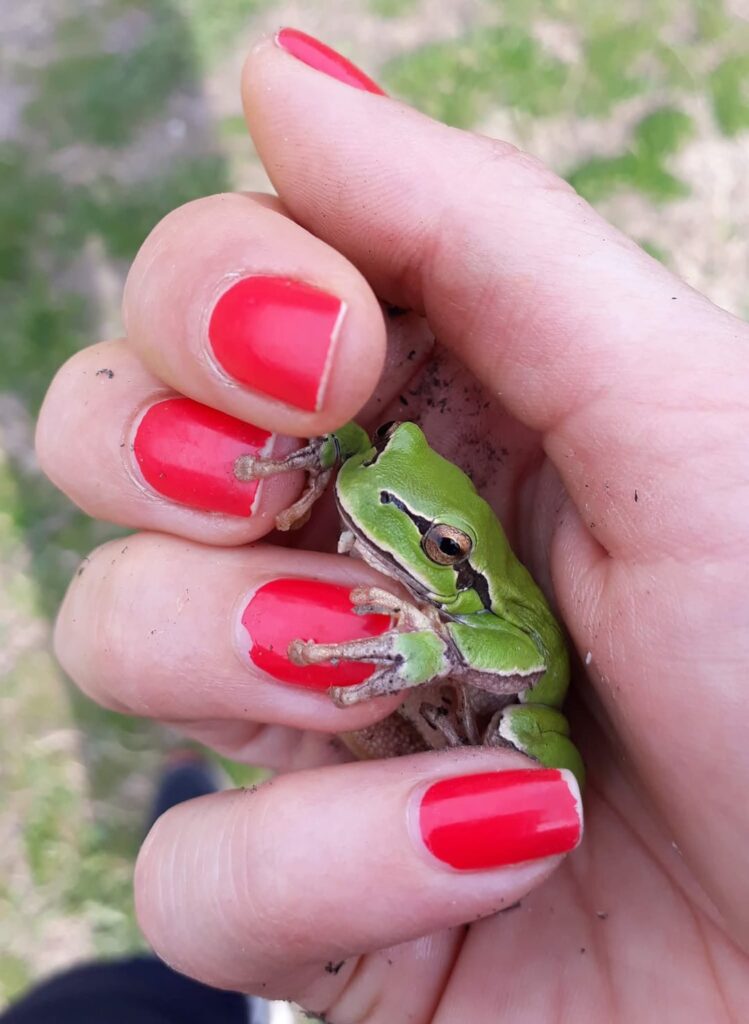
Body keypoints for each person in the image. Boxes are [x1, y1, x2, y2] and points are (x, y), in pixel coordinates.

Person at [33, 28, 749, 1024]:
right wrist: (318, 446)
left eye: (439, 544)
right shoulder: (390, 477)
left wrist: (429, 636)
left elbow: (514, 659)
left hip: (512, 691)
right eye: (383, 458)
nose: (379, 495)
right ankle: (187, 795)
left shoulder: (473, 592)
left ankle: (186, 804)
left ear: (449, 556)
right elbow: (372, 462)